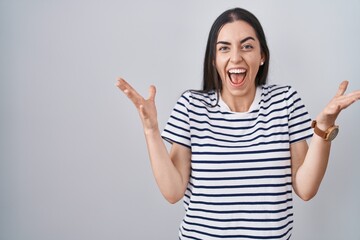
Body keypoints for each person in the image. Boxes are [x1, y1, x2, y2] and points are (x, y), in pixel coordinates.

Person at [116, 7, 360, 240]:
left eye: (247, 46)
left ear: (262, 55)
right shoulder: (191, 106)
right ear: (213, 59)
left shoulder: (285, 101)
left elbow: (306, 189)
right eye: (224, 48)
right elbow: (173, 192)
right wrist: (151, 130)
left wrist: (324, 126)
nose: (236, 57)